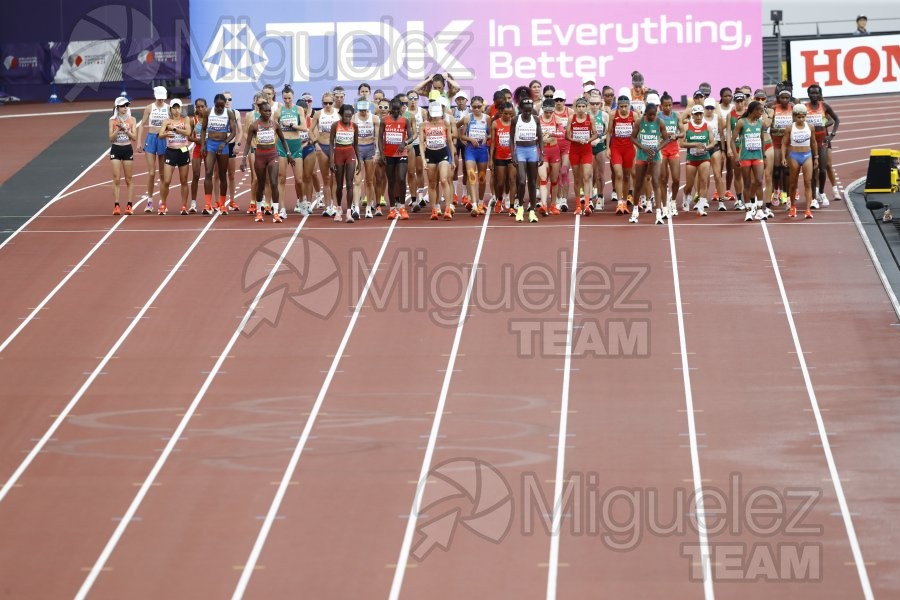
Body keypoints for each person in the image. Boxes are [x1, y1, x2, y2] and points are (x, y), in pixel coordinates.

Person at [241, 100, 294, 223]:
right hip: (259, 156)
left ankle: (275, 213)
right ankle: (259, 212)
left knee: (274, 183)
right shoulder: (254, 125)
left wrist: (289, 154)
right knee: (260, 184)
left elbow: (283, 140)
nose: (268, 113)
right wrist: (243, 159)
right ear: (260, 111)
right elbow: (248, 143)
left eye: (269, 110)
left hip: (272, 155)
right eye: (265, 111)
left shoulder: (275, 124)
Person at [630, 100, 669, 224]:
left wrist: (657, 148)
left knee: (656, 182)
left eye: (654, 114)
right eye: (650, 114)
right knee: (638, 183)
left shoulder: (659, 122)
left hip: (655, 156)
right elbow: (632, 137)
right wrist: (643, 147)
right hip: (642, 155)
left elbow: (666, 139)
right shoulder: (639, 122)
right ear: (645, 113)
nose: (652, 117)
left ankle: (658, 214)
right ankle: (635, 212)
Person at [199, 93, 238, 215]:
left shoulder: (229, 113)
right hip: (210, 144)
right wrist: (203, 145)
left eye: (222, 106)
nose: (220, 108)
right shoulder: (208, 112)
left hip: (223, 146)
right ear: (214, 103)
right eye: (218, 106)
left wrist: (225, 142)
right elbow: (203, 129)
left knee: (222, 175)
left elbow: (233, 132)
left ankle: (222, 205)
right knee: (209, 172)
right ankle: (207, 204)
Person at [378, 95, 416, 220]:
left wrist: (404, 143)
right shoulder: (384, 120)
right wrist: (382, 154)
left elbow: (411, 136)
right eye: (393, 109)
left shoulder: (405, 120)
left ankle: (402, 206)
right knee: (391, 181)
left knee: (401, 178)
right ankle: (392, 208)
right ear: (390, 109)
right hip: (388, 154)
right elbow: (379, 138)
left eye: (397, 109)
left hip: (401, 153)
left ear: (401, 109)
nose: (395, 112)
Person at [731, 100, 770, 221]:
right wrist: (736, 155)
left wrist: (763, 155)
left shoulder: (760, 123)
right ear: (753, 111)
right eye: (760, 111)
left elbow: (762, 139)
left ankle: (759, 210)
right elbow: (733, 140)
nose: (762, 113)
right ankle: (748, 211)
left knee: (759, 181)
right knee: (747, 183)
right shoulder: (741, 123)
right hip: (745, 157)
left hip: (757, 156)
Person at [274, 85, 307, 221]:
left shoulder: (298, 110)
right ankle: (282, 209)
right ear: (282, 97)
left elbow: (304, 128)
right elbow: (274, 128)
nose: (287, 100)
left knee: (299, 180)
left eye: (289, 98)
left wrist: (291, 125)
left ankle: (301, 201)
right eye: (285, 98)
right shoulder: (278, 111)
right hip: (282, 145)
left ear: (293, 97)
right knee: (281, 177)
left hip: (295, 145)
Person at [805, 84, 840, 207]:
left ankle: (822, 192)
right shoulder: (804, 107)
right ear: (808, 94)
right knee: (813, 169)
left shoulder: (824, 106)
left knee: (823, 168)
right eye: (812, 93)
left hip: (823, 141)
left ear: (819, 94)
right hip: (809, 141)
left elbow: (836, 119)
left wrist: (832, 135)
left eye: (816, 93)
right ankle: (815, 195)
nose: (814, 95)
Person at [510, 97, 544, 223]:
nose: (528, 113)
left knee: (533, 182)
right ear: (521, 110)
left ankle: (532, 211)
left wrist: (542, 154)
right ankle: (520, 208)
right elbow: (511, 137)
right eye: (526, 111)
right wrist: (513, 155)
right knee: (522, 181)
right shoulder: (515, 119)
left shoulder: (535, 119)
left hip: (532, 151)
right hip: (520, 151)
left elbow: (540, 137)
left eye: (530, 111)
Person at [781, 104, 818, 218]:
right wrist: (783, 157)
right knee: (793, 183)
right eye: (798, 117)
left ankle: (807, 210)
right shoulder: (790, 128)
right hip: (794, 156)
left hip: (807, 155)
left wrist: (816, 157)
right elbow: (784, 143)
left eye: (803, 117)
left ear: (805, 116)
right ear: (794, 116)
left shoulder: (810, 126)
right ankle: (792, 206)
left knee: (808, 182)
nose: (801, 119)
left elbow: (813, 142)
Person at [137, 85, 169, 212]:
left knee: (162, 174)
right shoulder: (149, 107)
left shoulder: (168, 108)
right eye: (159, 98)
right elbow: (141, 125)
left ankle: (162, 202)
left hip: (163, 139)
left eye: (162, 98)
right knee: (151, 173)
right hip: (151, 138)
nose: (160, 100)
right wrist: (139, 142)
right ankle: (149, 201)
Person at [158, 99, 192, 215]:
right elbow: (160, 134)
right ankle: (163, 205)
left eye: (178, 108)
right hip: (171, 151)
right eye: (174, 108)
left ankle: (183, 206)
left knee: (184, 180)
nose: (176, 110)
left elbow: (188, 132)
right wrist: (166, 133)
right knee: (166, 180)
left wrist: (174, 129)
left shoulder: (185, 119)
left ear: (181, 108)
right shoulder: (166, 121)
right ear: (170, 109)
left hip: (183, 151)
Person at [422, 101, 455, 220]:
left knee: (444, 179)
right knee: (432, 183)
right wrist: (423, 159)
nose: (436, 116)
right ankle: (434, 210)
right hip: (430, 154)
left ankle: (447, 208)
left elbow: (450, 141)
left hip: (443, 153)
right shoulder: (423, 125)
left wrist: (453, 159)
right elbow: (421, 143)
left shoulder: (445, 123)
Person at [680, 105, 715, 216]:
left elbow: (713, 142)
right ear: (692, 115)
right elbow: (681, 143)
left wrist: (706, 148)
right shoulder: (687, 127)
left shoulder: (707, 127)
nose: (699, 116)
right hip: (692, 158)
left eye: (700, 114)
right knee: (689, 185)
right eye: (696, 114)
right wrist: (694, 144)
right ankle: (686, 197)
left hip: (704, 158)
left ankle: (701, 206)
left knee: (704, 181)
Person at [458, 95, 490, 216]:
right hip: (470, 150)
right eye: (474, 107)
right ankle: (474, 205)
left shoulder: (487, 118)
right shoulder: (467, 118)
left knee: (481, 179)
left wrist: (486, 137)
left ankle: (481, 202)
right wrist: (470, 139)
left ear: (482, 106)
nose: (476, 109)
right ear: (471, 107)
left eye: (479, 107)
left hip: (482, 151)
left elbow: (491, 134)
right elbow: (462, 135)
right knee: (471, 176)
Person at [329, 104, 361, 222]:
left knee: (349, 184)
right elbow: (331, 144)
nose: (348, 118)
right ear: (341, 114)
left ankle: (348, 212)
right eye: (345, 116)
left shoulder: (355, 126)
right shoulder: (335, 125)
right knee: (338, 185)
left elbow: (356, 144)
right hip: (338, 153)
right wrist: (331, 160)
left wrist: (360, 160)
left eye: (350, 116)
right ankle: (338, 209)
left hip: (350, 153)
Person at [566, 97, 597, 216]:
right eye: (579, 107)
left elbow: (595, 134)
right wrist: (576, 140)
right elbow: (567, 136)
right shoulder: (571, 118)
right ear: (575, 108)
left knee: (587, 176)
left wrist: (588, 140)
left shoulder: (590, 118)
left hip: (586, 151)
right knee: (577, 179)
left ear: (586, 107)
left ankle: (587, 205)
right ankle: (578, 206)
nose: (581, 109)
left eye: (583, 106)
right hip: (574, 151)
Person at [607, 94, 637, 215]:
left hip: (629, 148)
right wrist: (608, 148)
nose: (624, 109)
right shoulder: (613, 115)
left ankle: (624, 201)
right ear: (618, 106)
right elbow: (609, 132)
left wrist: (636, 146)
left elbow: (638, 132)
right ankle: (619, 203)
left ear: (629, 106)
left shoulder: (634, 115)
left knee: (626, 175)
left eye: (626, 106)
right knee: (618, 174)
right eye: (621, 107)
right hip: (616, 148)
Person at [311, 91, 339, 216]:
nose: (327, 105)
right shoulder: (318, 114)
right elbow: (310, 130)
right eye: (325, 103)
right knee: (326, 179)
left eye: (330, 103)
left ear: (333, 102)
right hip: (322, 147)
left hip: (336, 148)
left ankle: (334, 204)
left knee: (335, 179)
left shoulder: (338, 114)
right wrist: (316, 144)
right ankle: (328, 207)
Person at [109, 97, 137, 215]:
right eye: (123, 106)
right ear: (117, 108)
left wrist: (125, 129)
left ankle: (129, 205)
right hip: (116, 148)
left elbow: (134, 138)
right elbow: (111, 138)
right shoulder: (112, 120)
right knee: (116, 178)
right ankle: (116, 205)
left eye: (127, 105)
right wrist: (118, 129)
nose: (125, 107)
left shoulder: (132, 119)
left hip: (127, 148)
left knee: (128, 179)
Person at [353, 99, 379, 218]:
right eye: (361, 109)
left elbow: (377, 137)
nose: (363, 111)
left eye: (365, 109)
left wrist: (377, 152)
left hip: (370, 149)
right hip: (358, 149)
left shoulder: (374, 119)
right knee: (357, 180)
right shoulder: (354, 118)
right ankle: (356, 208)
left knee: (369, 180)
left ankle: (369, 207)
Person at [490, 102, 516, 215]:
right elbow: (492, 143)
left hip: (512, 156)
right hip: (499, 157)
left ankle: (511, 206)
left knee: (512, 180)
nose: (508, 116)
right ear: (501, 113)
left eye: (510, 114)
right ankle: (499, 199)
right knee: (500, 182)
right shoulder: (496, 124)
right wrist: (491, 159)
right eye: (505, 113)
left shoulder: (514, 124)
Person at [537, 99, 562, 216]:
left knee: (554, 179)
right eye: (546, 111)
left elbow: (562, 133)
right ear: (542, 109)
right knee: (543, 178)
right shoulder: (538, 119)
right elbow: (533, 135)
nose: (548, 114)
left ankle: (553, 205)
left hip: (554, 150)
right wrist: (540, 136)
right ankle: (543, 205)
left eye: (550, 111)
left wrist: (553, 134)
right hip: (542, 151)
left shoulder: (556, 119)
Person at [589, 92, 609, 210]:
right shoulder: (586, 115)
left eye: (597, 104)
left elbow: (608, 131)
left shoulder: (604, 115)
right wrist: (589, 140)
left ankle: (600, 198)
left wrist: (600, 138)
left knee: (600, 175)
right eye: (592, 103)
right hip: (589, 146)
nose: (594, 106)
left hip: (600, 146)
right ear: (589, 104)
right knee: (590, 174)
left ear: (600, 104)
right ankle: (590, 197)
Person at [187, 98, 208, 214]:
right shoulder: (193, 120)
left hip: (209, 149)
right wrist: (198, 140)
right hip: (198, 148)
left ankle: (207, 203)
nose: (200, 109)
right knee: (195, 174)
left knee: (209, 175)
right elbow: (188, 137)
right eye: (198, 107)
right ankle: (193, 203)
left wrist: (206, 141)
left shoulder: (210, 118)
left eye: (202, 106)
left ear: (206, 106)